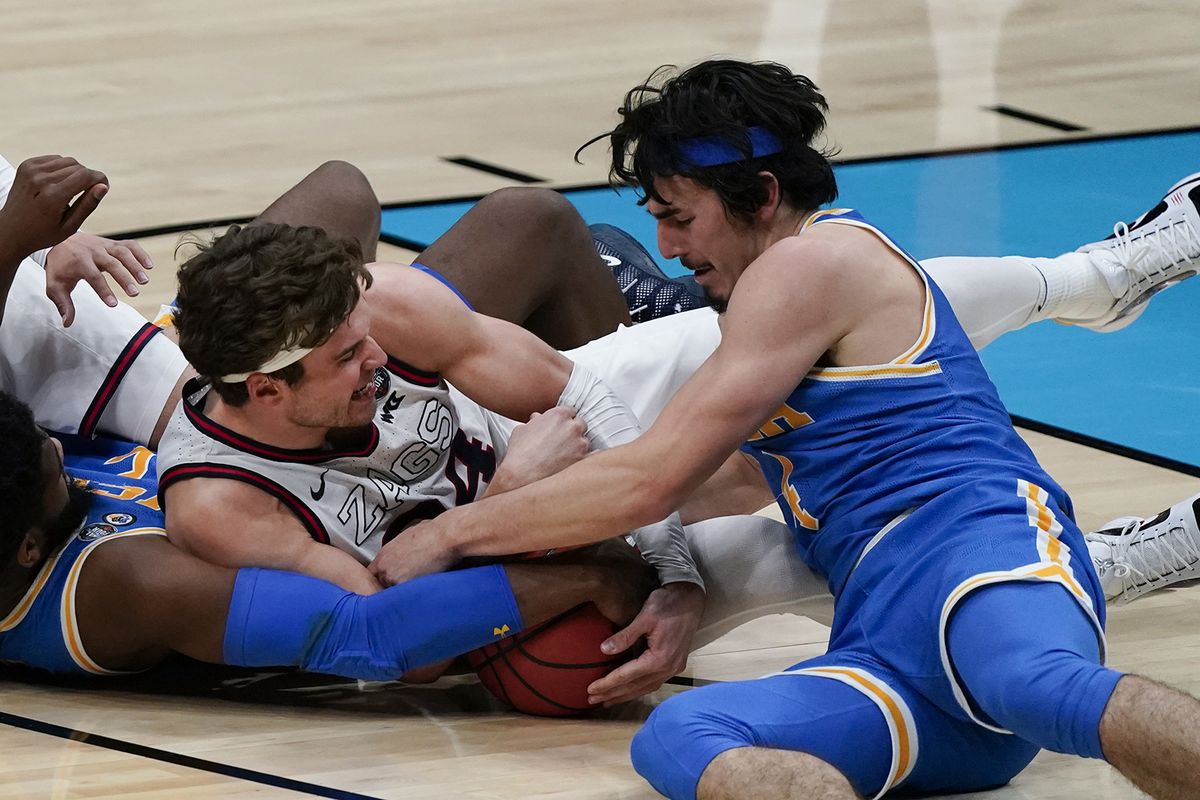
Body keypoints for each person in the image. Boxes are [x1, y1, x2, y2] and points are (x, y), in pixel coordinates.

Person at [373, 60, 1200, 798]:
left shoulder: (812, 262)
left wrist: (455, 534)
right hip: (887, 645)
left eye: (679, 216)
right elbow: (723, 479)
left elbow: (648, 478)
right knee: (682, 735)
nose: (664, 245)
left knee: (1033, 682)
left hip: (974, 552)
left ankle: (1106, 282)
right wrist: (670, 579)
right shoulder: (772, 308)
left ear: (762, 197)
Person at [0, 156, 656, 682]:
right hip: (452, 495)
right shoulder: (179, 542)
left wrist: (31, 251)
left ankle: (621, 315)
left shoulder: (369, 326)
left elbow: (591, 405)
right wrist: (521, 516)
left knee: (453, 207)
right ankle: (623, 309)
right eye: (347, 351)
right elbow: (394, 642)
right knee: (531, 222)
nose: (376, 356)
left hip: (248, 391)